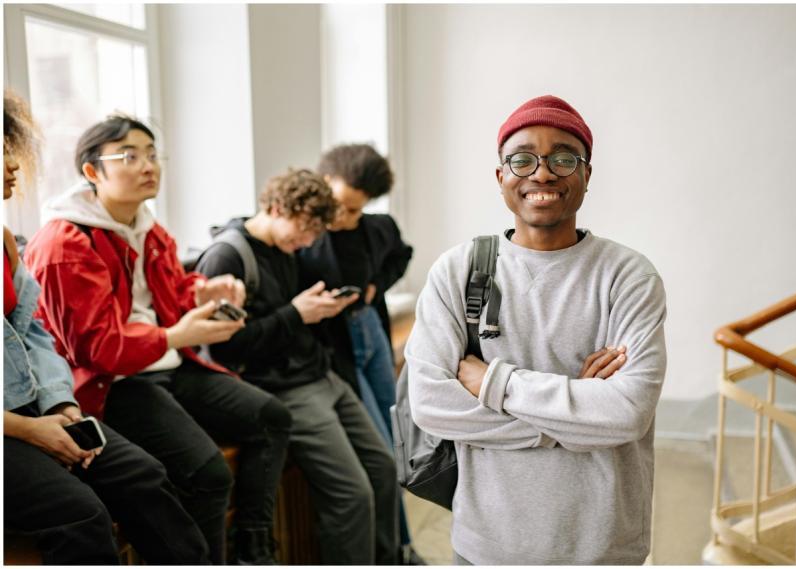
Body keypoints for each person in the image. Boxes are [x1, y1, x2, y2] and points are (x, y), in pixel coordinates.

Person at [405, 95, 666, 565]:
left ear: (587, 174)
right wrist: (574, 418)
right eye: (522, 159)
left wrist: (492, 383)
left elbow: (628, 412)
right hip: (487, 544)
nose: (542, 174)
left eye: (564, 158)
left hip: (602, 546)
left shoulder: (628, 276)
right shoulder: (458, 271)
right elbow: (429, 403)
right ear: (501, 176)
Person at [24, 114, 292, 564]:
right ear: (92, 172)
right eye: (129, 155)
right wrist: (176, 333)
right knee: (208, 471)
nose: (148, 165)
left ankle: (253, 546)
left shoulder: (149, 227)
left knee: (272, 417)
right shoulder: (65, 244)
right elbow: (98, 350)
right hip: (114, 381)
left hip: (168, 361)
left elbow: (171, 295)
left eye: (152, 154)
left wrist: (206, 293)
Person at [3, 90, 209, 564]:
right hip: (11, 425)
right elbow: (99, 346)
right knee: (81, 515)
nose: (13, 165)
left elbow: (33, 332)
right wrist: (28, 430)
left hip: (41, 405)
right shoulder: (64, 238)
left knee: (145, 475)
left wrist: (59, 403)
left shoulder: (4, 242)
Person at [195, 168, 400, 564]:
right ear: (274, 207)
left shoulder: (285, 251)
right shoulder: (226, 256)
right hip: (284, 390)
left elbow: (292, 318)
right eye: (303, 230)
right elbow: (224, 349)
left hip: (321, 376)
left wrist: (318, 311)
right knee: (353, 494)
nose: (306, 242)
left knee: (384, 469)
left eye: (314, 234)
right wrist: (296, 314)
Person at [297, 143, 422, 564]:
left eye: (354, 210)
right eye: (339, 206)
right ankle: (397, 551)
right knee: (384, 452)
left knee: (395, 439)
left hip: (372, 334)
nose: (343, 218)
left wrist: (375, 287)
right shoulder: (305, 237)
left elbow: (401, 257)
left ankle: (401, 547)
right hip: (338, 351)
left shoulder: (378, 227)